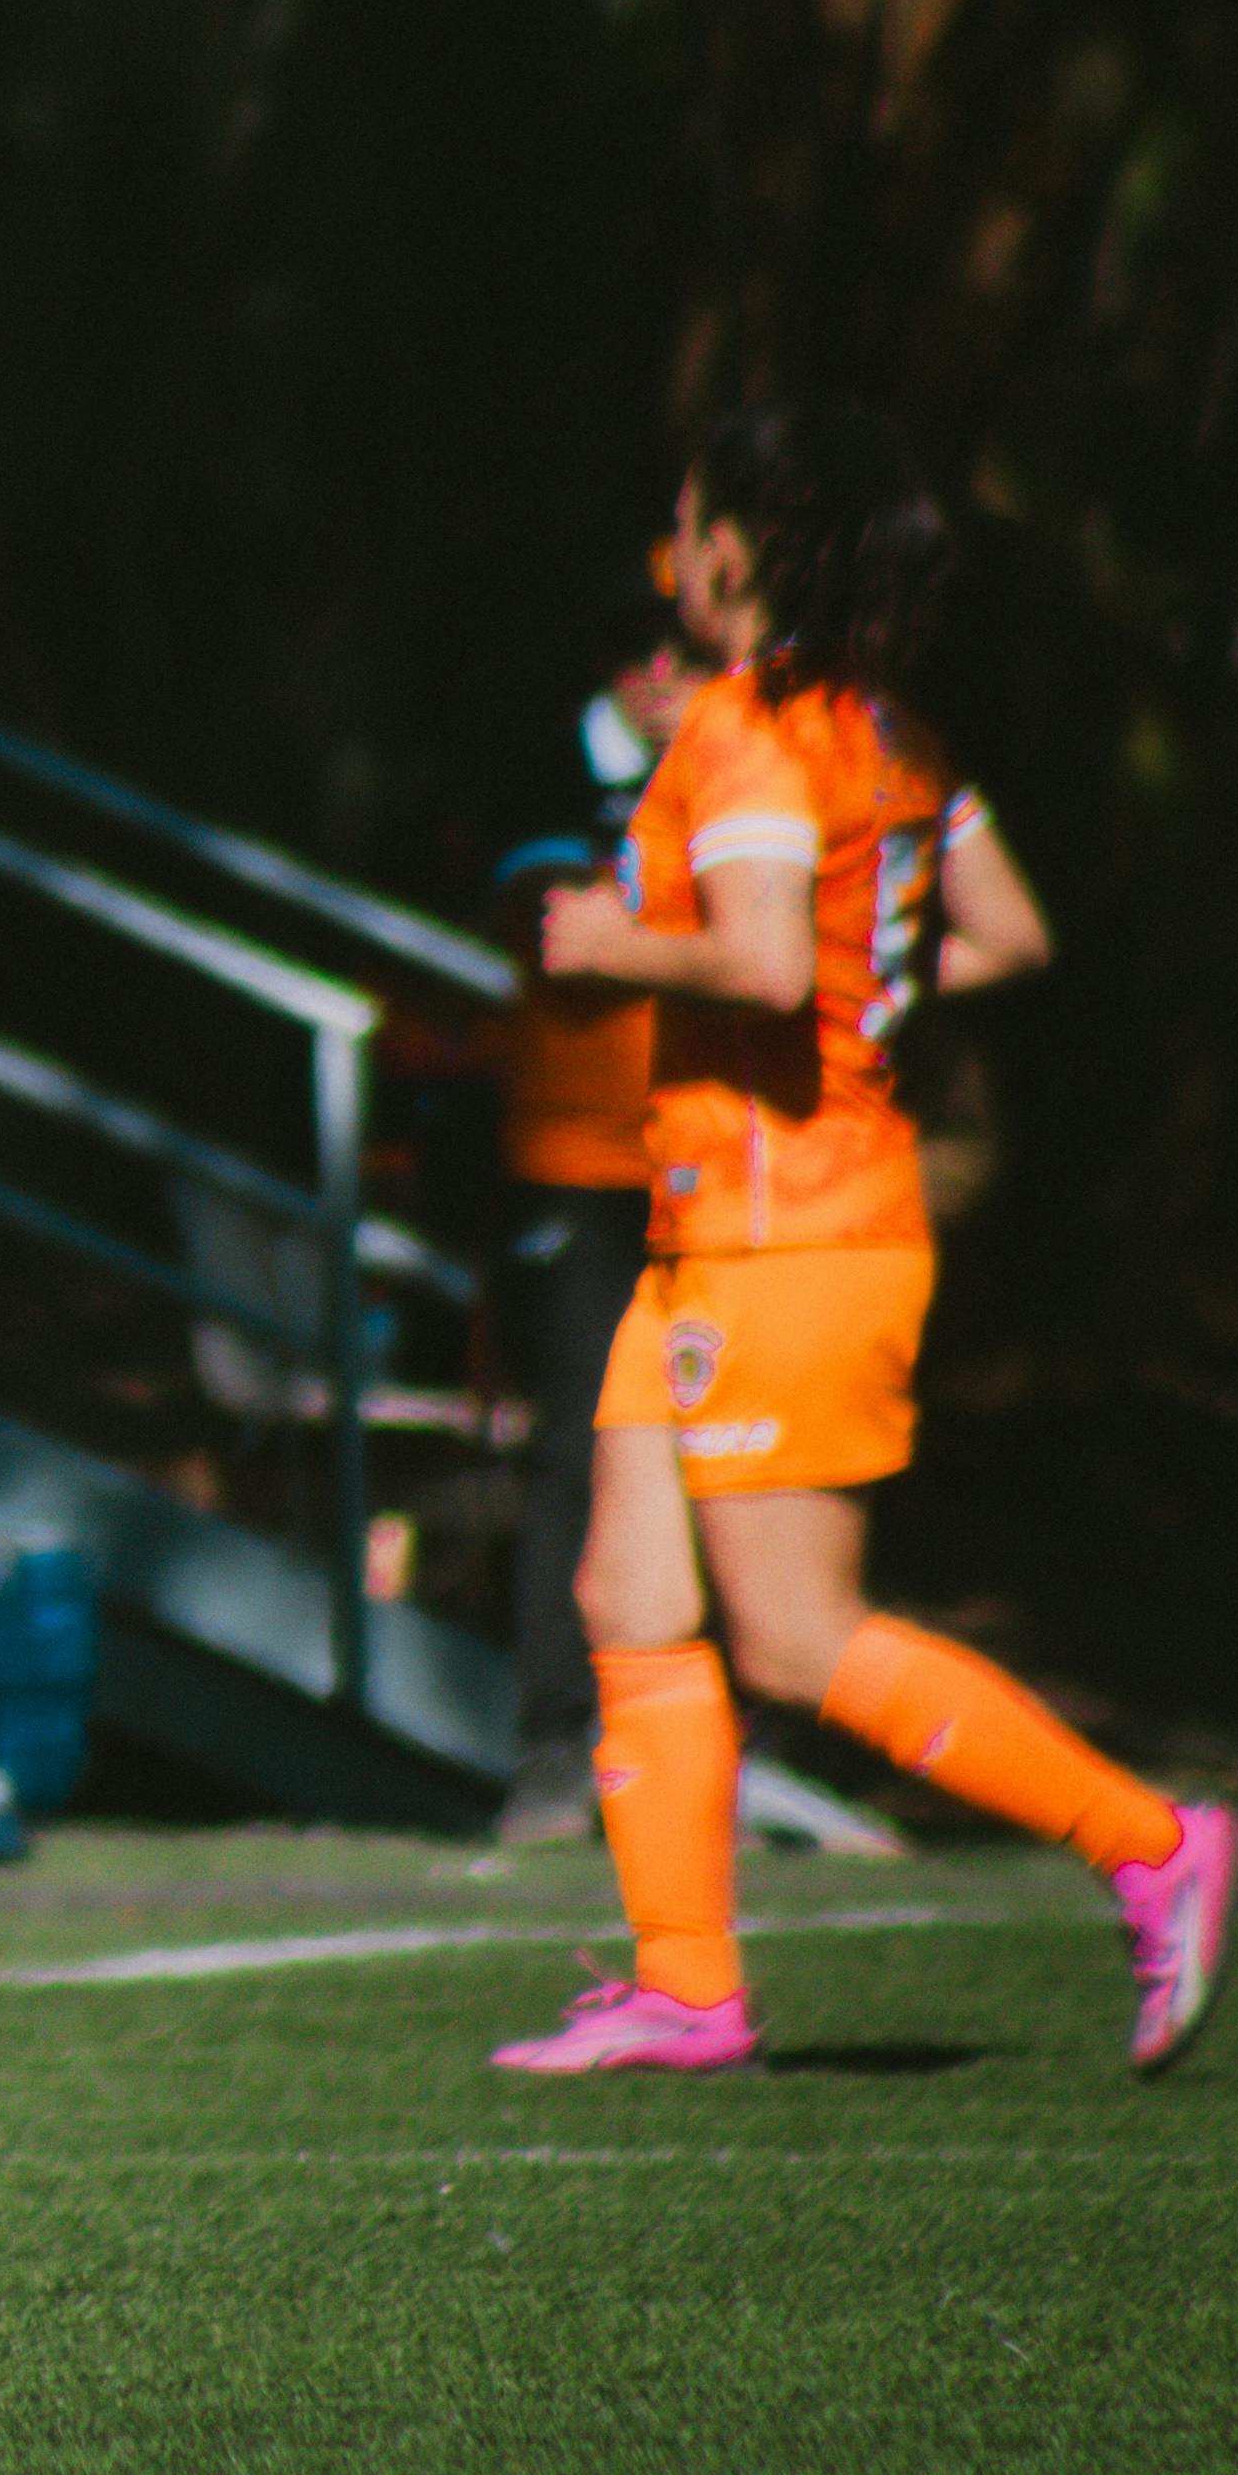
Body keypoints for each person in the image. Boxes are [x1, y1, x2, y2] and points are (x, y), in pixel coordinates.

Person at [496, 405, 1238, 2078]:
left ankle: (1155, 1847)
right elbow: (1008, 929)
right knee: (629, 1586)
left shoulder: (757, 741)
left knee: (788, 1631)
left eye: (682, 523)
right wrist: (873, 998)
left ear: (734, 551)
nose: (665, 555)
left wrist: (615, 937)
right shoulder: (886, 734)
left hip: (790, 1235)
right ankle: (684, 1985)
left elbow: (768, 964)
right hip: (718, 1223)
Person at [482, 613, 700, 1843]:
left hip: (712, 1163)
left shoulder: (740, 768)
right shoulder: (550, 773)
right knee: (579, 1451)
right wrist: (729, 937)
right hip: (578, 1165)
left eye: (686, 646)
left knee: (723, 1457)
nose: (664, 671)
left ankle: (710, 1740)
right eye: (637, 645)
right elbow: (566, 943)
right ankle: (553, 1749)